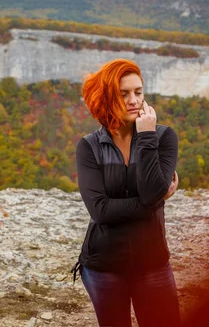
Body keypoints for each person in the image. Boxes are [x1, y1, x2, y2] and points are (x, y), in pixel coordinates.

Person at [72, 59, 181, 326]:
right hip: (103, 265)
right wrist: (155, 202)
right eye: (123, 94)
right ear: (107, 98)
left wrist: (146, 136)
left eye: (138, 92)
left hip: (152, 262)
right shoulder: (89, 147)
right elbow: (100, 211)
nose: (134, 100)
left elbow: (150, 190)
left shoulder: (164, 137)